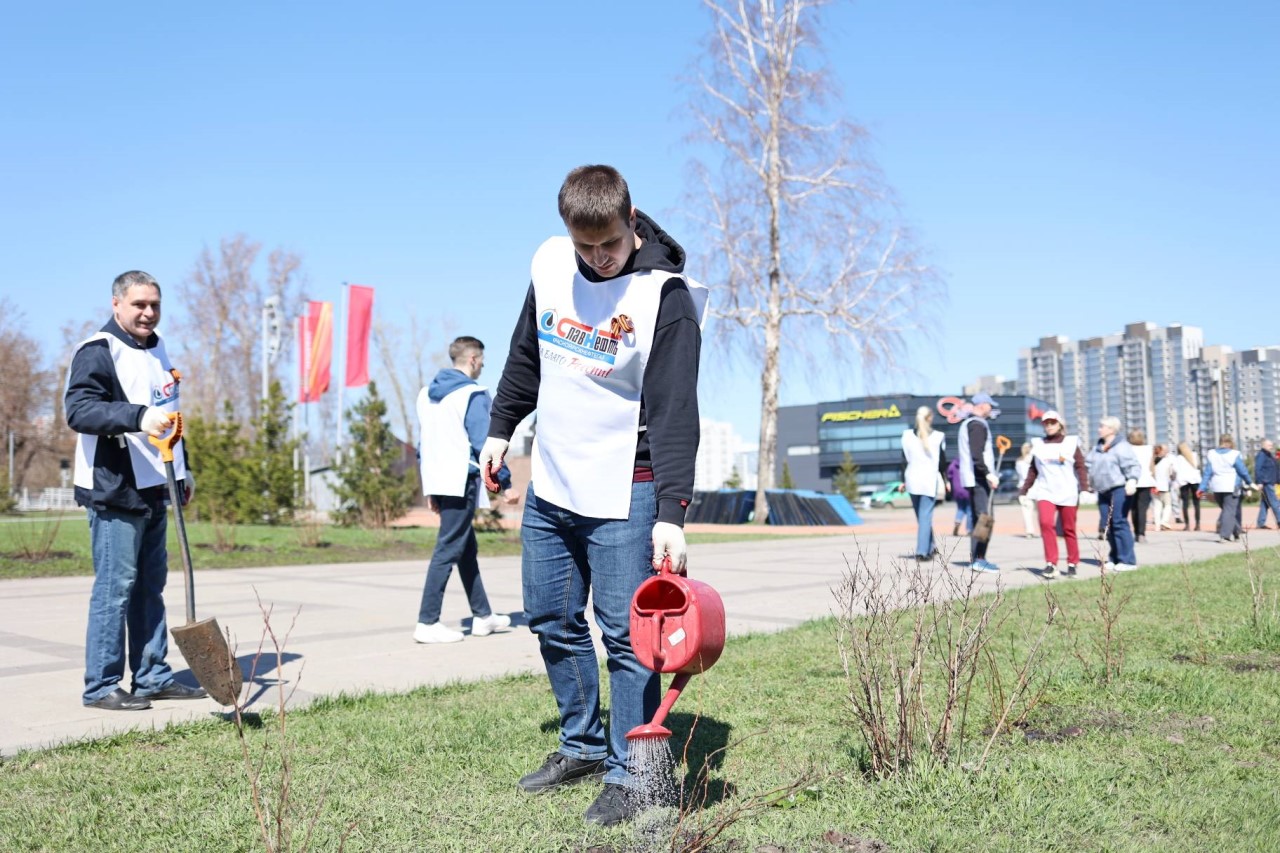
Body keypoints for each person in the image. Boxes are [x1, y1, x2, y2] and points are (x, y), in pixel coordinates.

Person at [478, 165, 708, 827]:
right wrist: (500, 429)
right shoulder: (552, 266)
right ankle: (580, 744)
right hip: (551, 479)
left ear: (632, 222)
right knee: (550, 616)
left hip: (627, 486)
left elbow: (673, 411)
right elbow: (528, 353)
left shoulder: (666, 296)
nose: (599, 260)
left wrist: (672, 512)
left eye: (609, 245)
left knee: (627, 637)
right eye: (586, 248)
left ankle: (635, 774)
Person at [65, 271, 206, 711]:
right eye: (139, 304)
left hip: (154, 487)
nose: (148, 313)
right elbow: (80, 409)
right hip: (114, 488)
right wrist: (136, 416)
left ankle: (151, 676)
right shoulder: (97, 350)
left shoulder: (158, 348)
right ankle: (101, 685)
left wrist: (182, 473)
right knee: (116, 587)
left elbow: (169, 415)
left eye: (155, 305)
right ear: (116, 304)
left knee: (150, 586)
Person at [414, 336, 521, 644]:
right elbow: (485, 443)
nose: (482, 367)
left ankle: (483, 616)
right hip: (462, 480)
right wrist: (505, 484)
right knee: (448, 548)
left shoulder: (426, 396)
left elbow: (425, 444)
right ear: (474, 360)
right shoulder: (472, 394)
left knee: (465, 548)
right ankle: (427, 621)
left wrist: (430, 488)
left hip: (439, 479)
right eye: (482, 362)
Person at [1019, 411, 1088, 577]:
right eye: (1046, 423)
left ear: (1060, 425)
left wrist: (1085, 488)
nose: (1049, 426)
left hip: (1068, 491)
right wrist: (1024, 490)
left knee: (1068, 529)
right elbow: (1033, 470)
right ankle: (1051, 563)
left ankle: (1072, 563)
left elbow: (1080, 467)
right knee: (1045, 523)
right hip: (1046, 491)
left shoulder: (1071, 443)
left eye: (1052, 423)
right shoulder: (1038, 445)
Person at [1086, 416, 1142, 572]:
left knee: (1119, 522)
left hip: (1119, 489)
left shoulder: (1122, 447)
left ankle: (1128, 560)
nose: (1099, 429)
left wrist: (1132, 479)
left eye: (1102, 426)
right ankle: (1114, 557)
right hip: (1102, 490)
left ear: (1112, 429)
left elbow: (1133, 465)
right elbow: (1088, 465)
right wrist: (1088, 483)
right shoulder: (1097, 448)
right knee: (1107, 525)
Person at [958, 392, 1001, 573]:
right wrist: (988, 474)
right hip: (978, 478)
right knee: (985, 518)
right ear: (983, 405)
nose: (991, 409)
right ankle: (979, 558)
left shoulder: (969, 423)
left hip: (974, 477)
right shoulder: (977, 425)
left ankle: (977, 558)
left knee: (978, 519)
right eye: (990, 405)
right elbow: (977, 455)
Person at [901, 406, 948, 560]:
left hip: (912, 480)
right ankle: (922, 552)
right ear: (930, 418)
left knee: (922, 518)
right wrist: (946, 480)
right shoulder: (937, 437)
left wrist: (902, 481)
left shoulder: (907, 436)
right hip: (928, 481)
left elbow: (903, 460)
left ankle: (931, 546)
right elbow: (942, 462)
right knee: (925, 517)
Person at [1201, 434, 1253, 543]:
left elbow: (1207, 473)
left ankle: (1236, 531)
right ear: (1231, 442)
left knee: (1227, 511)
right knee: (1229, 511)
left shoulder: (1212, 454)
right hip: (1231, 486)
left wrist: (1202, 487)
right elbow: (1242, 470)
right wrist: (1249, 482)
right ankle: (1225, 535)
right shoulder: (1234, 454)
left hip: (1217, 487)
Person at [1127, 429, 1155, 543]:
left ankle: (1136, 532)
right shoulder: (1149, 449)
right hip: (1146, 481)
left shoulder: (1128, 449)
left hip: (1132, 480)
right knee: (1142, 509)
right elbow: (1151, 466)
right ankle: (1142, 534)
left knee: (1133, 508)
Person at [1173, 442, 1202, 531]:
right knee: (1196, 503)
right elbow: (1198, 466)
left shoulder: (1178, 458)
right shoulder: (1194, 455)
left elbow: (1175, 470)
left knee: (1185, 504)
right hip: (1195, 480)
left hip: (1183, 482)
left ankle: (1187, 525)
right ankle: (1197, 524)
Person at [1014, 442, 1039, 538]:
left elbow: (1020, 475)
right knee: (1039, 511)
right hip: (1035, 487)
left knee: (1026, 512)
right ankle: (1044, 529)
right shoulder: (1034, 459)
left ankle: (1029, 531)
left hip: (1024, 487)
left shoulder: (1019, 462)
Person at [1255, 439, 1279, 529]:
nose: (1271, 447)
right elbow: (1258, 469)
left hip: (1270, 482)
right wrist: (1259, 482)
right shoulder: (1262, 455)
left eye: (1271, 445)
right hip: (1266, 482)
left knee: (1265, 504)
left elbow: (1275, 469)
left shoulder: (1269, 455)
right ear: (1263, 445)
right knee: (1275, 503)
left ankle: (1260, 523)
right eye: (1269, 445)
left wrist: (1277, 481)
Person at [1151, 444, 1177, 531]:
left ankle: (1157, 525)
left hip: (1154, 486)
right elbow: (1173, 472)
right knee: (1168, 505)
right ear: (1161, 451)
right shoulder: (1166, 461)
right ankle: (1164, 521)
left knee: (1157, 506)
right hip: (1165, 486)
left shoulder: (1152, 461)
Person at [947, 456, 971, 536]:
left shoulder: (953, 464)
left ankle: (958, 521)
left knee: (960, 508)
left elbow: (949, 476)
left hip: (957, 490)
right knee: (969, 509)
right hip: (967, 489)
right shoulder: (968, 463)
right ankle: (969, 529)